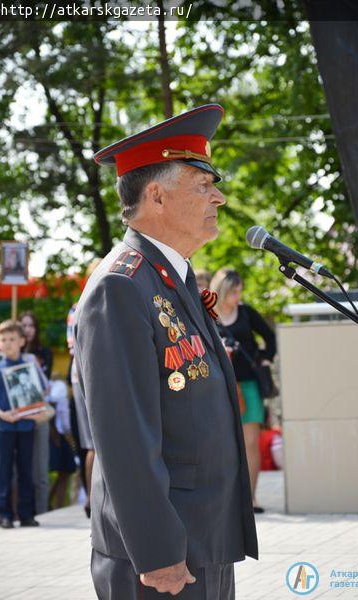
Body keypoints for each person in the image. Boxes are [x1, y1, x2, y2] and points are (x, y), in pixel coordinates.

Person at [73, 104, 258, 599]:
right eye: (203, 185)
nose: (218, 196)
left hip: (203, 540)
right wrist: (158, 553)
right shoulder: (121, 287)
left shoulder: (169, 279)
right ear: (156, 195)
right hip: (161, 557)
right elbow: (124, 438)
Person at [211, 268, 277, 513]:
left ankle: (251, 498)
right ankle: (227, 498)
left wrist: (266, 359)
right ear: (222, 291)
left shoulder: (246, 313)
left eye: (239, 292)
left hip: (248, 383)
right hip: (219, 386)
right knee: (223, 444)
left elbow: (270, 337)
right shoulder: (207, 313)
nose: (237, 297)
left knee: (251, 442)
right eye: (233, 292)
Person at [0, 320, 46, 528]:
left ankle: (26, 514)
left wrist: (36, 411)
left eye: (12, 339)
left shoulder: (29, 367)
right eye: (3, 339)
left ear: (22, 341)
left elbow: (40, 393)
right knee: (4, 471)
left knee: (26, 470)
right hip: (4, 427)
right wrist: (2, 415)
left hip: (26, 426)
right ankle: (5, 515)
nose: (8, 343)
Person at [66, 259, 101, 518]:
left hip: (99, 376)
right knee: (92, 442)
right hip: (84, 376)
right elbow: (76, 347)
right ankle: (91, 498)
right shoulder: (78, 308)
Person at [19, 311, 52, 516]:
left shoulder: (41, 354)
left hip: (38, 414)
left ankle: (42, 512)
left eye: (30, 325)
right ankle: (16, 512)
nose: (27, 329)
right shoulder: (5, 356)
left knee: (40, 470)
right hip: (15, 418)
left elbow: (45, 387)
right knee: (17, 470)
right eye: (23, 325)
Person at [48, 374, 76, 509]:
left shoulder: (51, 387)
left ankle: (53, 502)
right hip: (59, 435)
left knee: (64, 471)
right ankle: (55, 503)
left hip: (55, 434)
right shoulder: (61, 389)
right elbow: (64, 420)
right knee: (65, 470)